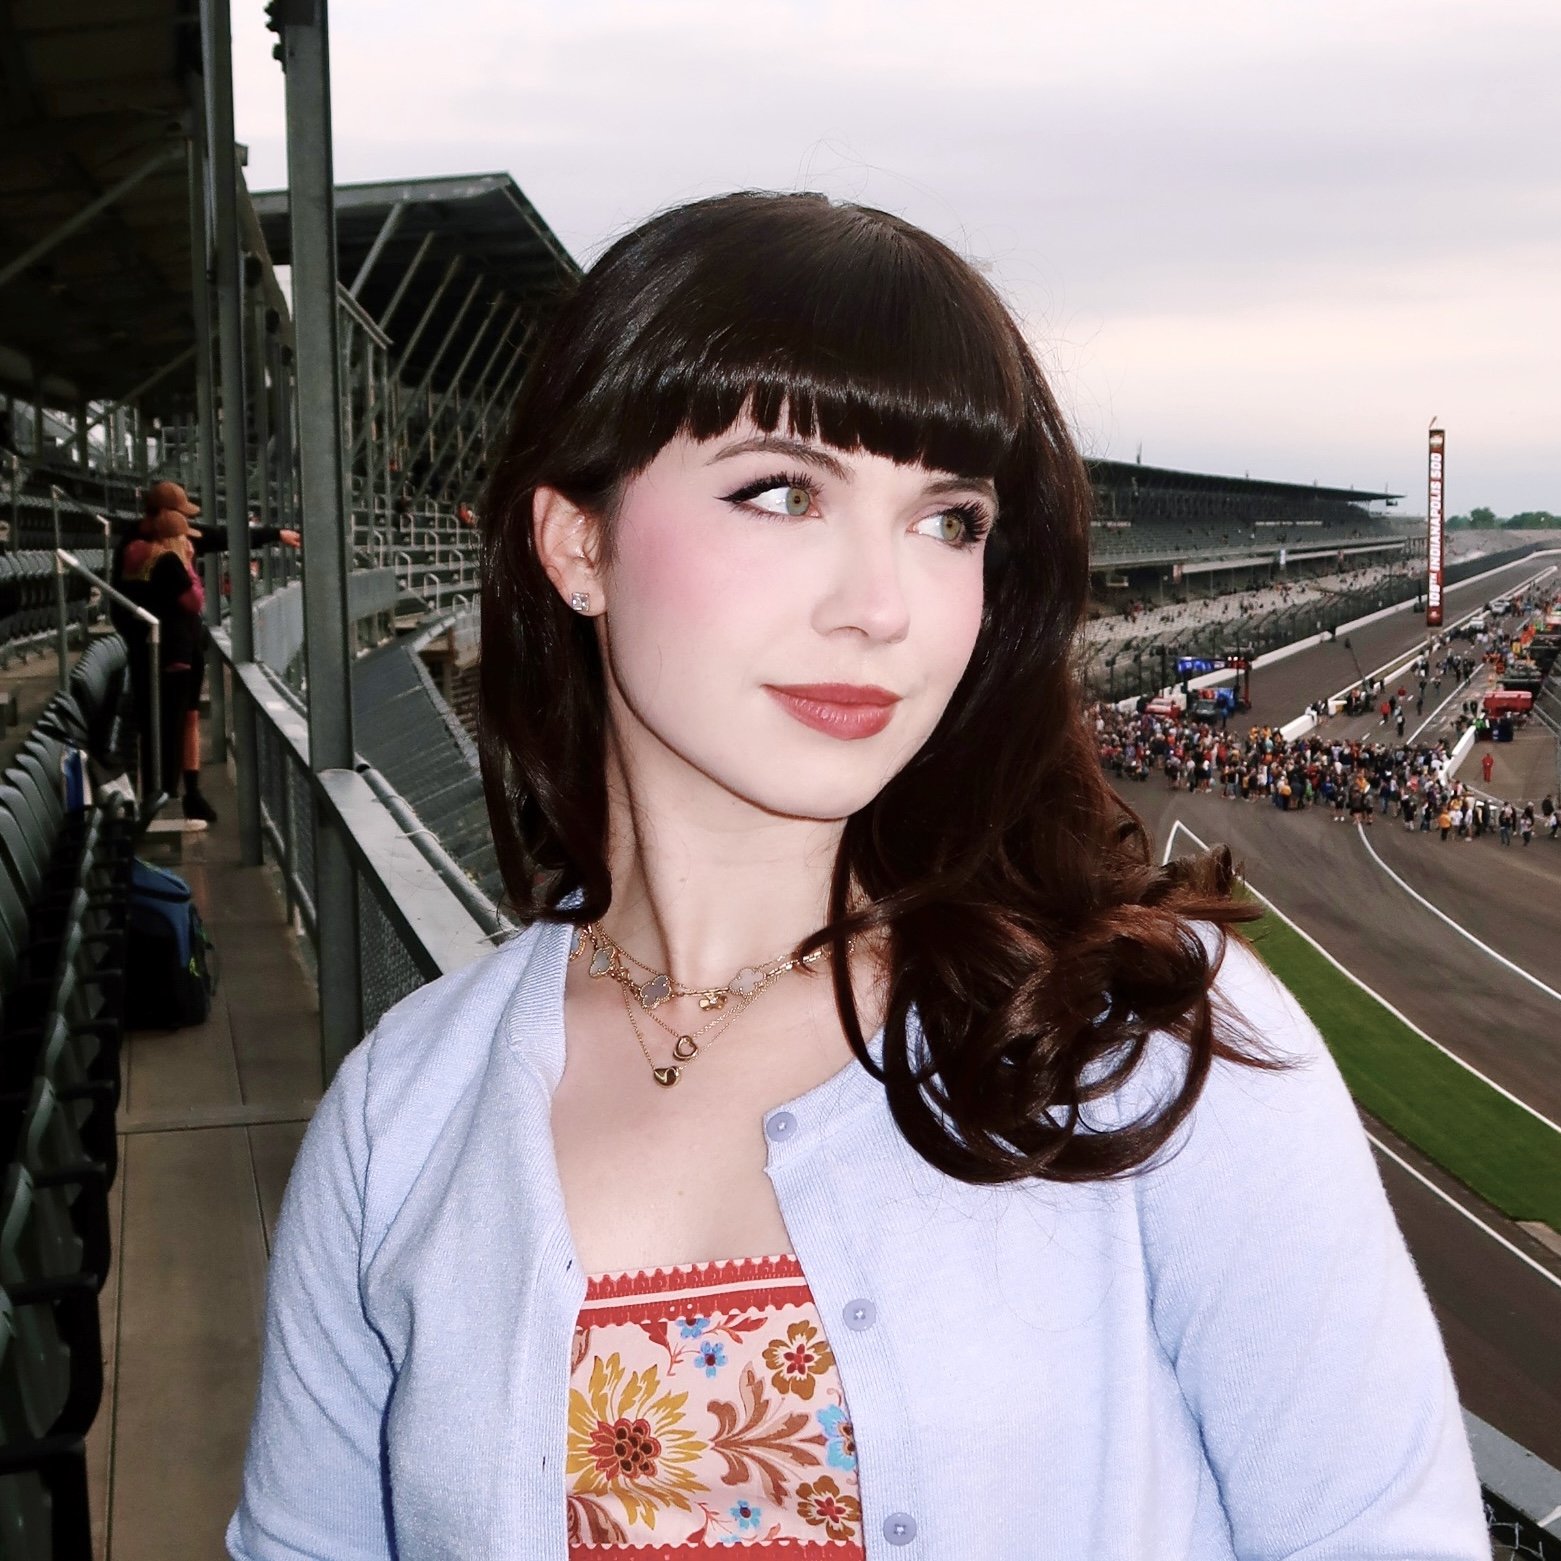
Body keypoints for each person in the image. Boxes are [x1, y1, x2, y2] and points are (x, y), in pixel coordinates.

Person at [227, 192, 1486, 1560]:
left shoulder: (1147, 1045)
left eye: (947, 521)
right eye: (781, 491)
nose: (880, 604)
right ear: (575, 542)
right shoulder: (395, 1118)